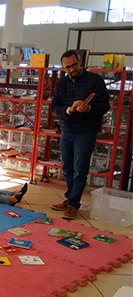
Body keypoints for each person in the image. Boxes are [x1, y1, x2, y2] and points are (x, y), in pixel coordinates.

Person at [50, 50, 110, 220]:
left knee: (79, 170)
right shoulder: (62, 83)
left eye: (74, 65)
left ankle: (73, 204)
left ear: (80, 62)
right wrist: (69, 109)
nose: (71, 69)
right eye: (67, 67)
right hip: (67, 130)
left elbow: (105, 105)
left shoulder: (95, 80)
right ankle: (70, 199)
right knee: (67, 167)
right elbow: (54, 107)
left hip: (86, 131)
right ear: (63, 68)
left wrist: (89, 108)